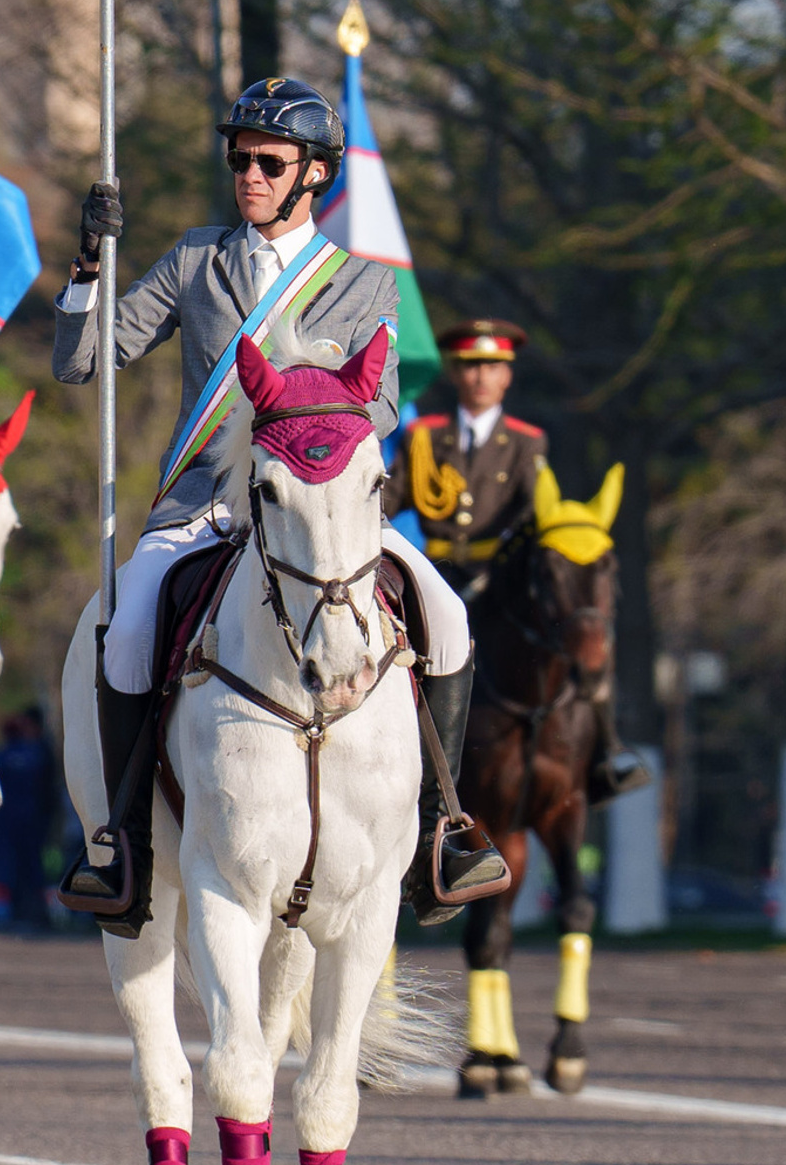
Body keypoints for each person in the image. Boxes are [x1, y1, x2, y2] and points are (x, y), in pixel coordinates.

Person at [49, 79, 484, 929]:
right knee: (129, 629)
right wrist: (86, 267)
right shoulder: (195, 262)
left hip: (324, 514)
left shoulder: (365, 285)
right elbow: (83, 360)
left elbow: (382, 409)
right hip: (204, 506)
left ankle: (442, 832)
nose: (248, 174)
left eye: (269, 161)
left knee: (450, 616)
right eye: (239, 157)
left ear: (314, 173)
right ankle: (123, 843)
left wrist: (296, 419)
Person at [386, 317, 649, 808]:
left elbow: (534, 515)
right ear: (454, 373)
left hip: (497, 575)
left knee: (579, 628)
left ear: (507, 376)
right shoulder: (425, 437)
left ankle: (605, 750)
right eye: (469, 366)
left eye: (491, 366)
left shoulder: (528, 442)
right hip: (437, 571)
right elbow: (393, 498)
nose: (480, 377)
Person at [0, 704, 54, 928]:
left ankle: (15, 913)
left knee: (19, 868)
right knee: (18, 868)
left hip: (21, 824)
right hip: (21, 823)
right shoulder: (37, 754)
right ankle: (17, 912)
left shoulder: (23, 755)